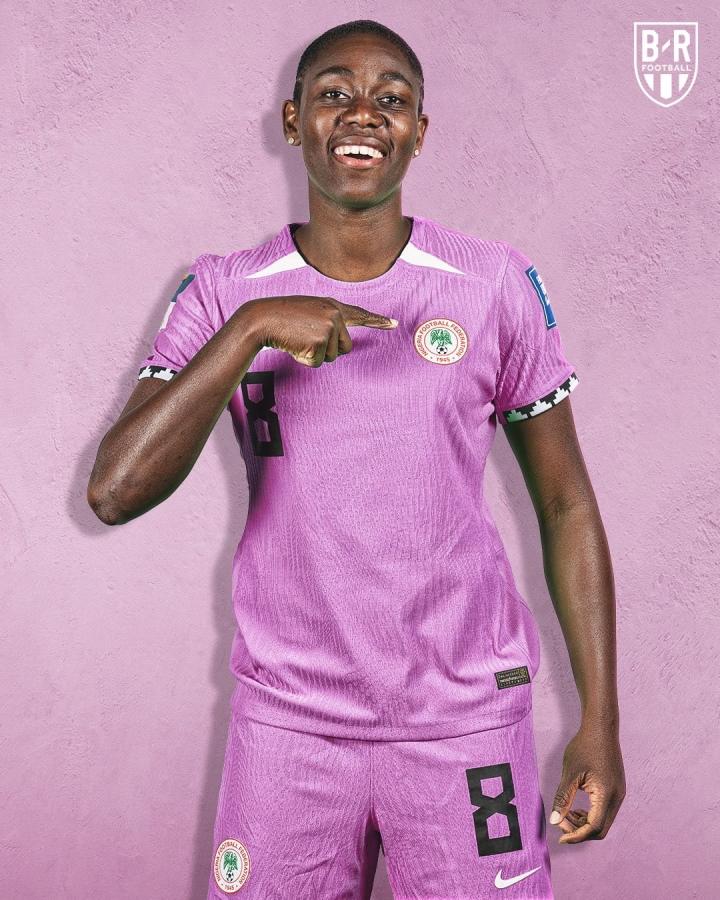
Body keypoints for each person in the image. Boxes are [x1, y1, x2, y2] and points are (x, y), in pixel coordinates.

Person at [87, 19, 625, 899]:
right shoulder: (224, 290)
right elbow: (114, 491)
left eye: (391, 98)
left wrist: (599, 721)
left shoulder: (491, 283)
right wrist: (253, 330)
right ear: (292, 121)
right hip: (289, 725)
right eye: (334, 93)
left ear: (419, 131)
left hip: (464, 722)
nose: (363, 113)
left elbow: (567, 505)